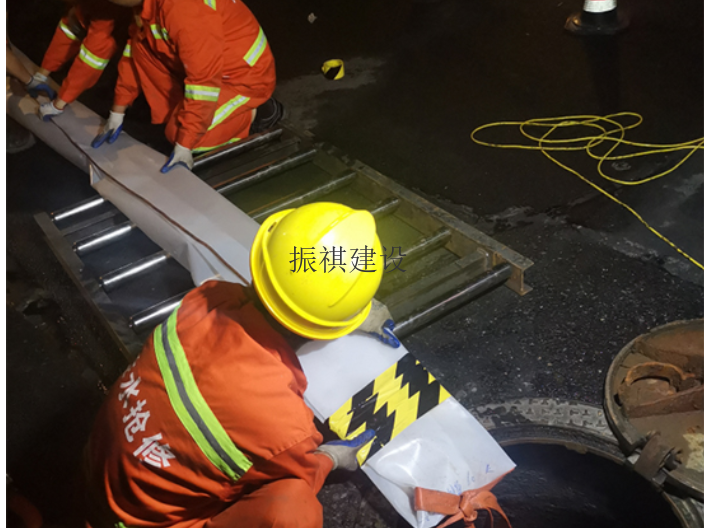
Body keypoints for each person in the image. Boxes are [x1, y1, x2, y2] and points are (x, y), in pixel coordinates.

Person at [83, 202, 399, 528]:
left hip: (100, 468)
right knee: (294, 511)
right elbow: (303, 465)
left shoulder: (204, 300)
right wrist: (329, 459)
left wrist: (331, 313)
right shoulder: (286, 428)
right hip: (140, 523)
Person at [91, 0, 283, 173]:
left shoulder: (184, 8)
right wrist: (117, 112)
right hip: (211, 71)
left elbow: (203, 83)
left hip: (245, 80)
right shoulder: (147, 8)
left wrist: (185, 144)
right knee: (178, 123)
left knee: (181, 134)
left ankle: (258, 112)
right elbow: (137, 55)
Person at [35, 0, 132, 121]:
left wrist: (59, 103)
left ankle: (60, 102)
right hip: (89, 7)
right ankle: (41, 77)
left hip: (113, 19)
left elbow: (87, 66)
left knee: (93, 56)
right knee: (69, 29)